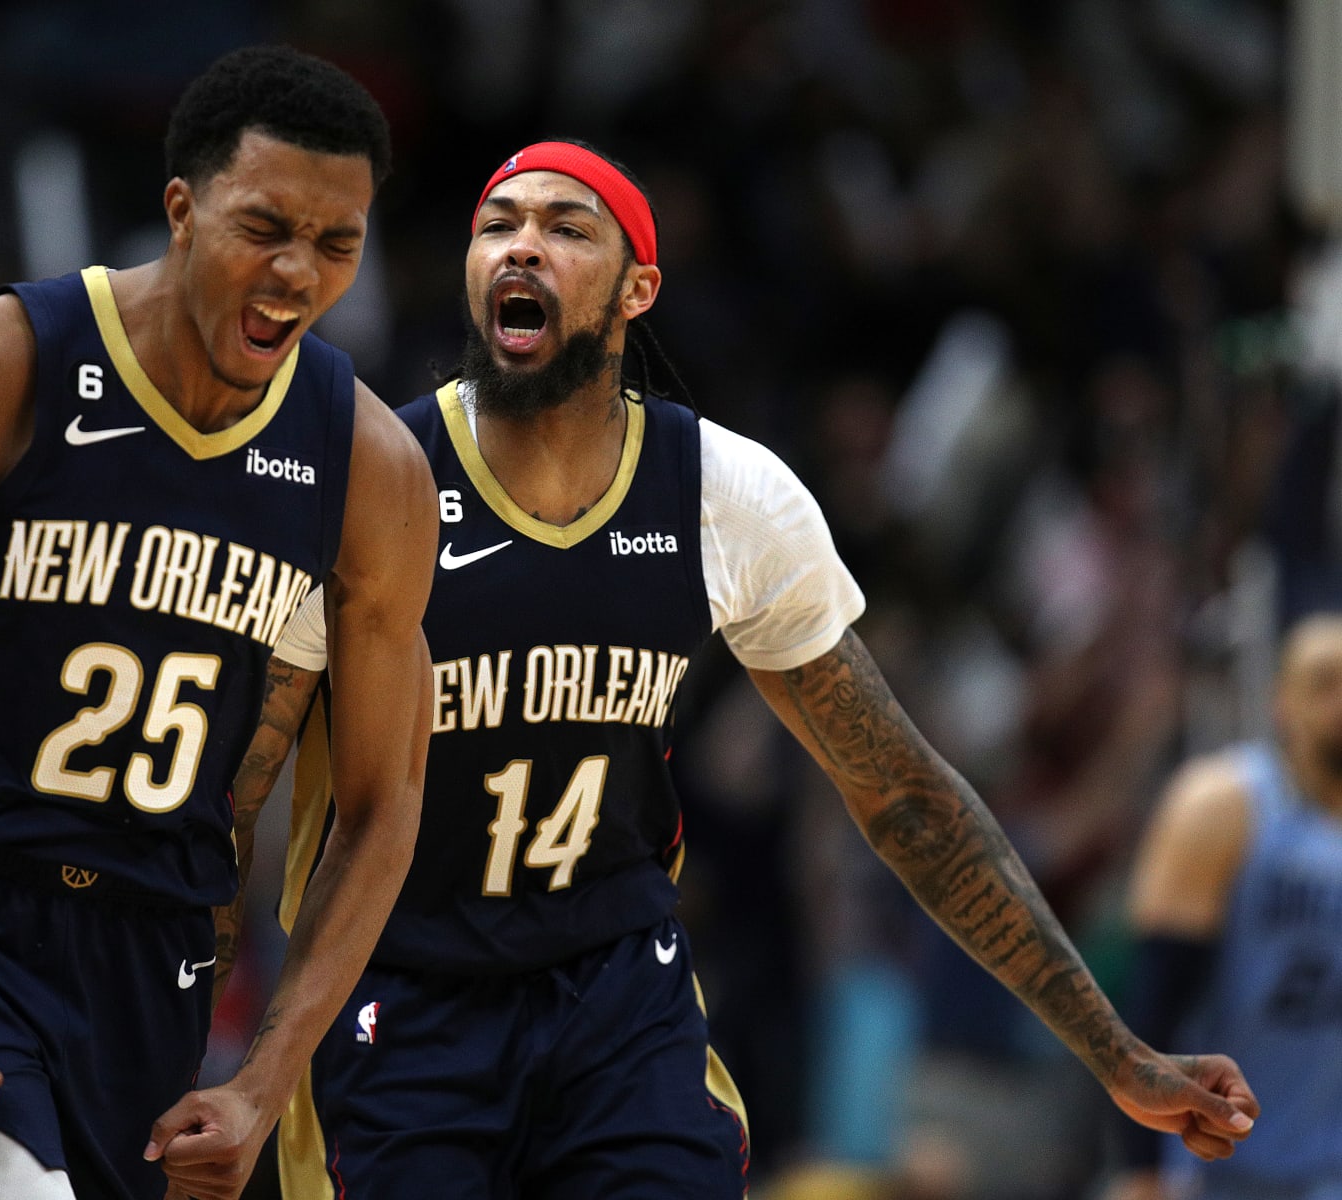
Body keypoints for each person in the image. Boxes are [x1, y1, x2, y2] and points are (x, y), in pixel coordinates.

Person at [224, 140, 1261, 1198]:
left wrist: (1116, 1051)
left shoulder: (726, 496)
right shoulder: (369, 488)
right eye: (500, 226)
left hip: (615, 1010)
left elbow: (903, 798)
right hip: (402, 1006)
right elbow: (229, 795)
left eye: (565, 228)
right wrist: (182, 1056)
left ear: (638, 289)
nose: (521, 248)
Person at [0, 45, 436, 1200]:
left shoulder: (369, 470)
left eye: (337, 243)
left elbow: (388, 800)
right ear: (182, 211)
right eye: (265, 227)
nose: (298, 271)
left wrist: (264, 1079)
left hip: (156, 964)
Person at [1110, 612, 1342, 1200]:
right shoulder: (1223, 805)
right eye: (1324, 684)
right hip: (1216, 1166)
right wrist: (1140, 1170)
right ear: (1280, 702)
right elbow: (1153, 1000)